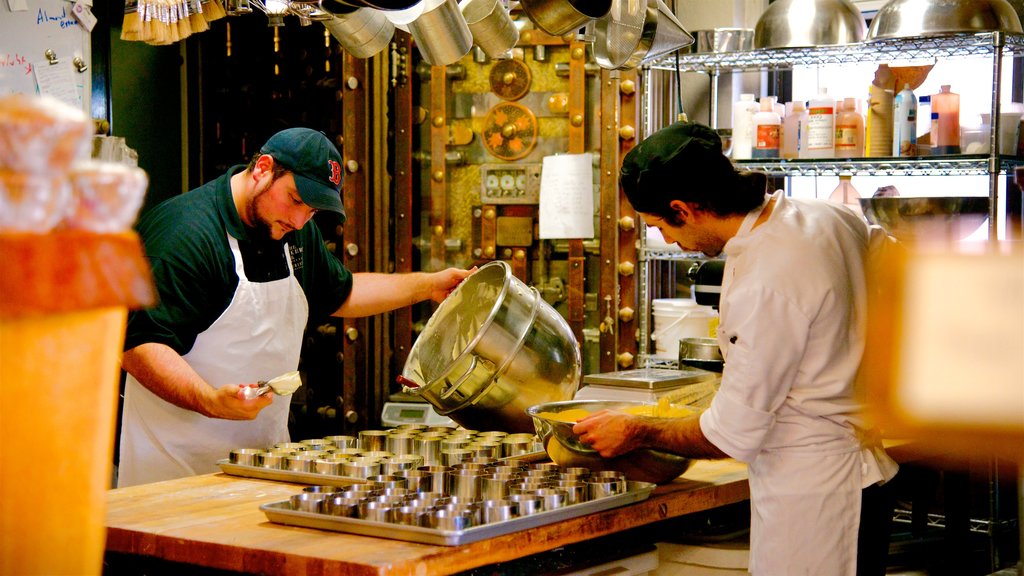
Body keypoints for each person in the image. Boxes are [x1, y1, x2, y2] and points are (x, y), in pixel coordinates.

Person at [573, 122, 899, 575]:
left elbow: (731, 434)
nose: (668, 241)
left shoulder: (764, 280)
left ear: (682, 209)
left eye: (660, 226)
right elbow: (892, 270)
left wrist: (638, 430)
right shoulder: (829, 217)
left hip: (817, 497)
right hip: (868, 475)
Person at [118, 127, 473, 488]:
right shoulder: (184, 235)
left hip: (260, 471)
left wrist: (428, 285)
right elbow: (136, 347)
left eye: (313, 210)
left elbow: (343, 293)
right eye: (295, 199)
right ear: (263, 169)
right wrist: (210, 400)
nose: (301, 220)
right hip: (173, 479)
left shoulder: (292, 230)